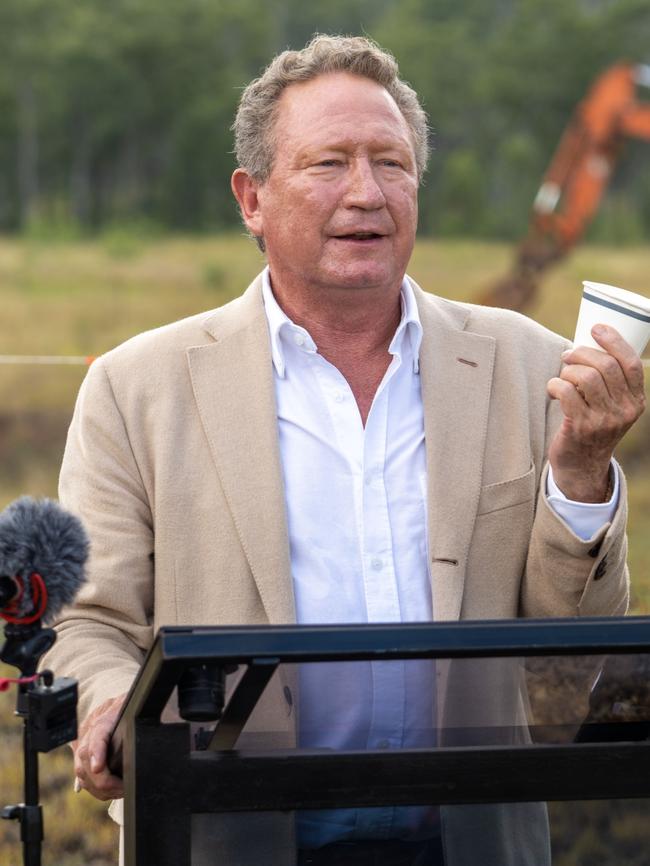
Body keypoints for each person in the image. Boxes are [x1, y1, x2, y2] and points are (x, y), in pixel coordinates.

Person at [46, 34, 644, 866]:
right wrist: (110, 706)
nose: (367, 193)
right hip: (229, 837)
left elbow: (571, 661)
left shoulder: (534, 368)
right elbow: (90, 618)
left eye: (391, 164)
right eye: (329, 163)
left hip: (473, 841)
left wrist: (581, 472)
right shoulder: (132, 387)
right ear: (252, 199)